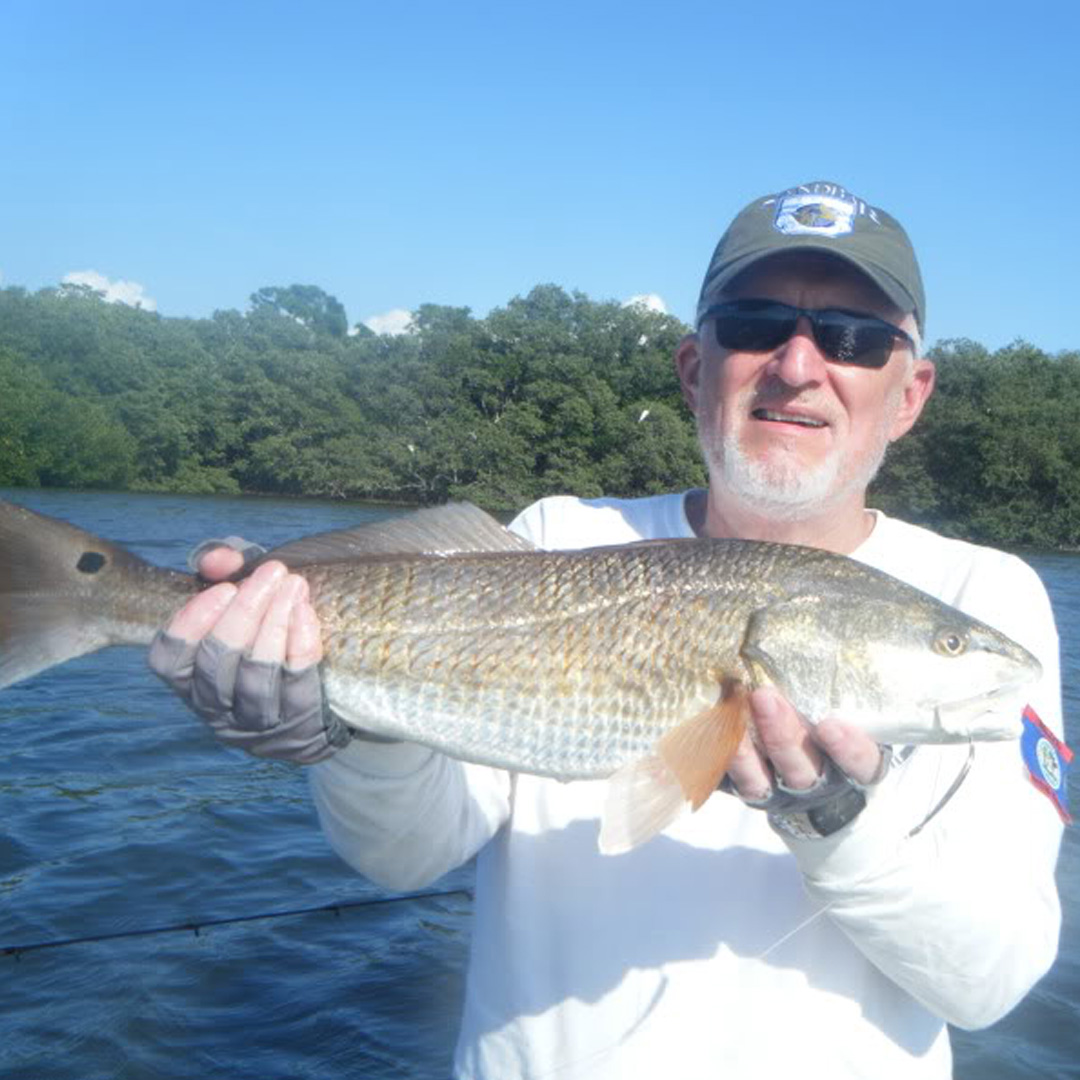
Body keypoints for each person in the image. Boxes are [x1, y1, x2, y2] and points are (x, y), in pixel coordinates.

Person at [150, 180, 1065, 1080]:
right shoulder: (555, 537)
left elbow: (990, 983)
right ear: (694, 368)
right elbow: (404, 857)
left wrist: (838, 822)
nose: (796, 364)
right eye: (751, 323)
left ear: (910, 395)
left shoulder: (987, 598)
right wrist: (361, 732)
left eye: (855, 339)